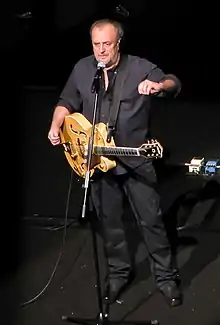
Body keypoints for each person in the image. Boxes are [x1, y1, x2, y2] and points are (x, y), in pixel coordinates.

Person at [48, 18, 183, 308]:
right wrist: (55, 125)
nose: (101, 50)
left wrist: (158, 85)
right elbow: (66, 100)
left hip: (135, 159)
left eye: (106, 44)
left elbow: (174, 83)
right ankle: (119, 274)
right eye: (96, 44)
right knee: (110, 224)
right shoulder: (84, 69)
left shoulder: (138, 68)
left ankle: (166, 277)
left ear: (118, 42)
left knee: (151, 220)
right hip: (97, 161)